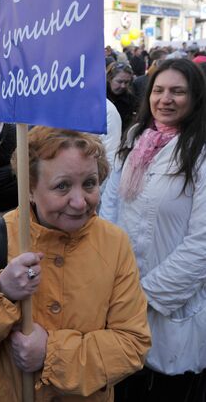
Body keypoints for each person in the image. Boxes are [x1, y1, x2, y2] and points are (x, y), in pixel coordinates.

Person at [0, 127, 151, 402]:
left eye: (89, 183)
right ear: (29, 189)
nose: (79, 202)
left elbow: (133, 344)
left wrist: (51, 354)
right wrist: (0, 291)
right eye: (62, 186)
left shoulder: (115, 244)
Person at [100, 58, 206, 401]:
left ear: (196, 98)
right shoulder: (134, 140)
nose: (165, 99)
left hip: (172, 306)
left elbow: (201, 245)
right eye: (158, 90)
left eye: (178, 91)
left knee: (165, 388)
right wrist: (111, 275)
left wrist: (142, 294)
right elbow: (111, 205)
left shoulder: (201, 153)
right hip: (122, 295)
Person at [106, 62, 137, 133]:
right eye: (119, 81)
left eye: (126, 82)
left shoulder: (131, 99)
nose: (123, 86)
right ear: (109, 79)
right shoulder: (99, 97)